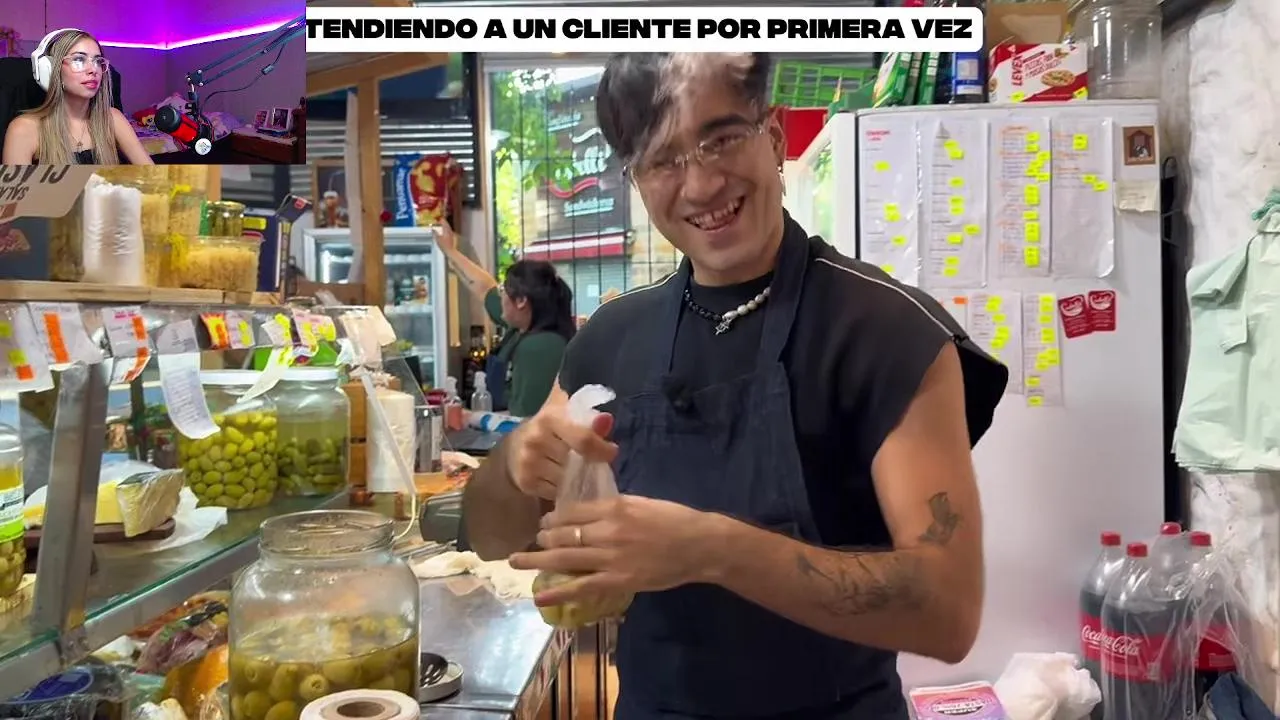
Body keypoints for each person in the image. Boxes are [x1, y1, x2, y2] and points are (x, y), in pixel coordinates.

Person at [463, 53, 1010, 719]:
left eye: (721, 139)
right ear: (636, 181)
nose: (700, 184)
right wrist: (515, 464)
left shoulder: (884, 330)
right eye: (662, 160)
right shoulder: (611, 338)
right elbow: (493, 541)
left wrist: (711, 550)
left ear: (773, 137)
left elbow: (948, 612)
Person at [435, 223, 575, 417]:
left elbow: (529, 421)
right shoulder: (521, 325)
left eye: (503, 290)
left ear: (521, 301)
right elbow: (484, 288)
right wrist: (450, 251)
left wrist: (475, 419)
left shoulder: (541, 346)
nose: (500, 295)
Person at [3, 29, 152, 165]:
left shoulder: (113, 119)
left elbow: (153, 176)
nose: (93, 69)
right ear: (50, 70)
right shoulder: (24, 129)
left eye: (98, 61)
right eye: (79, 60)